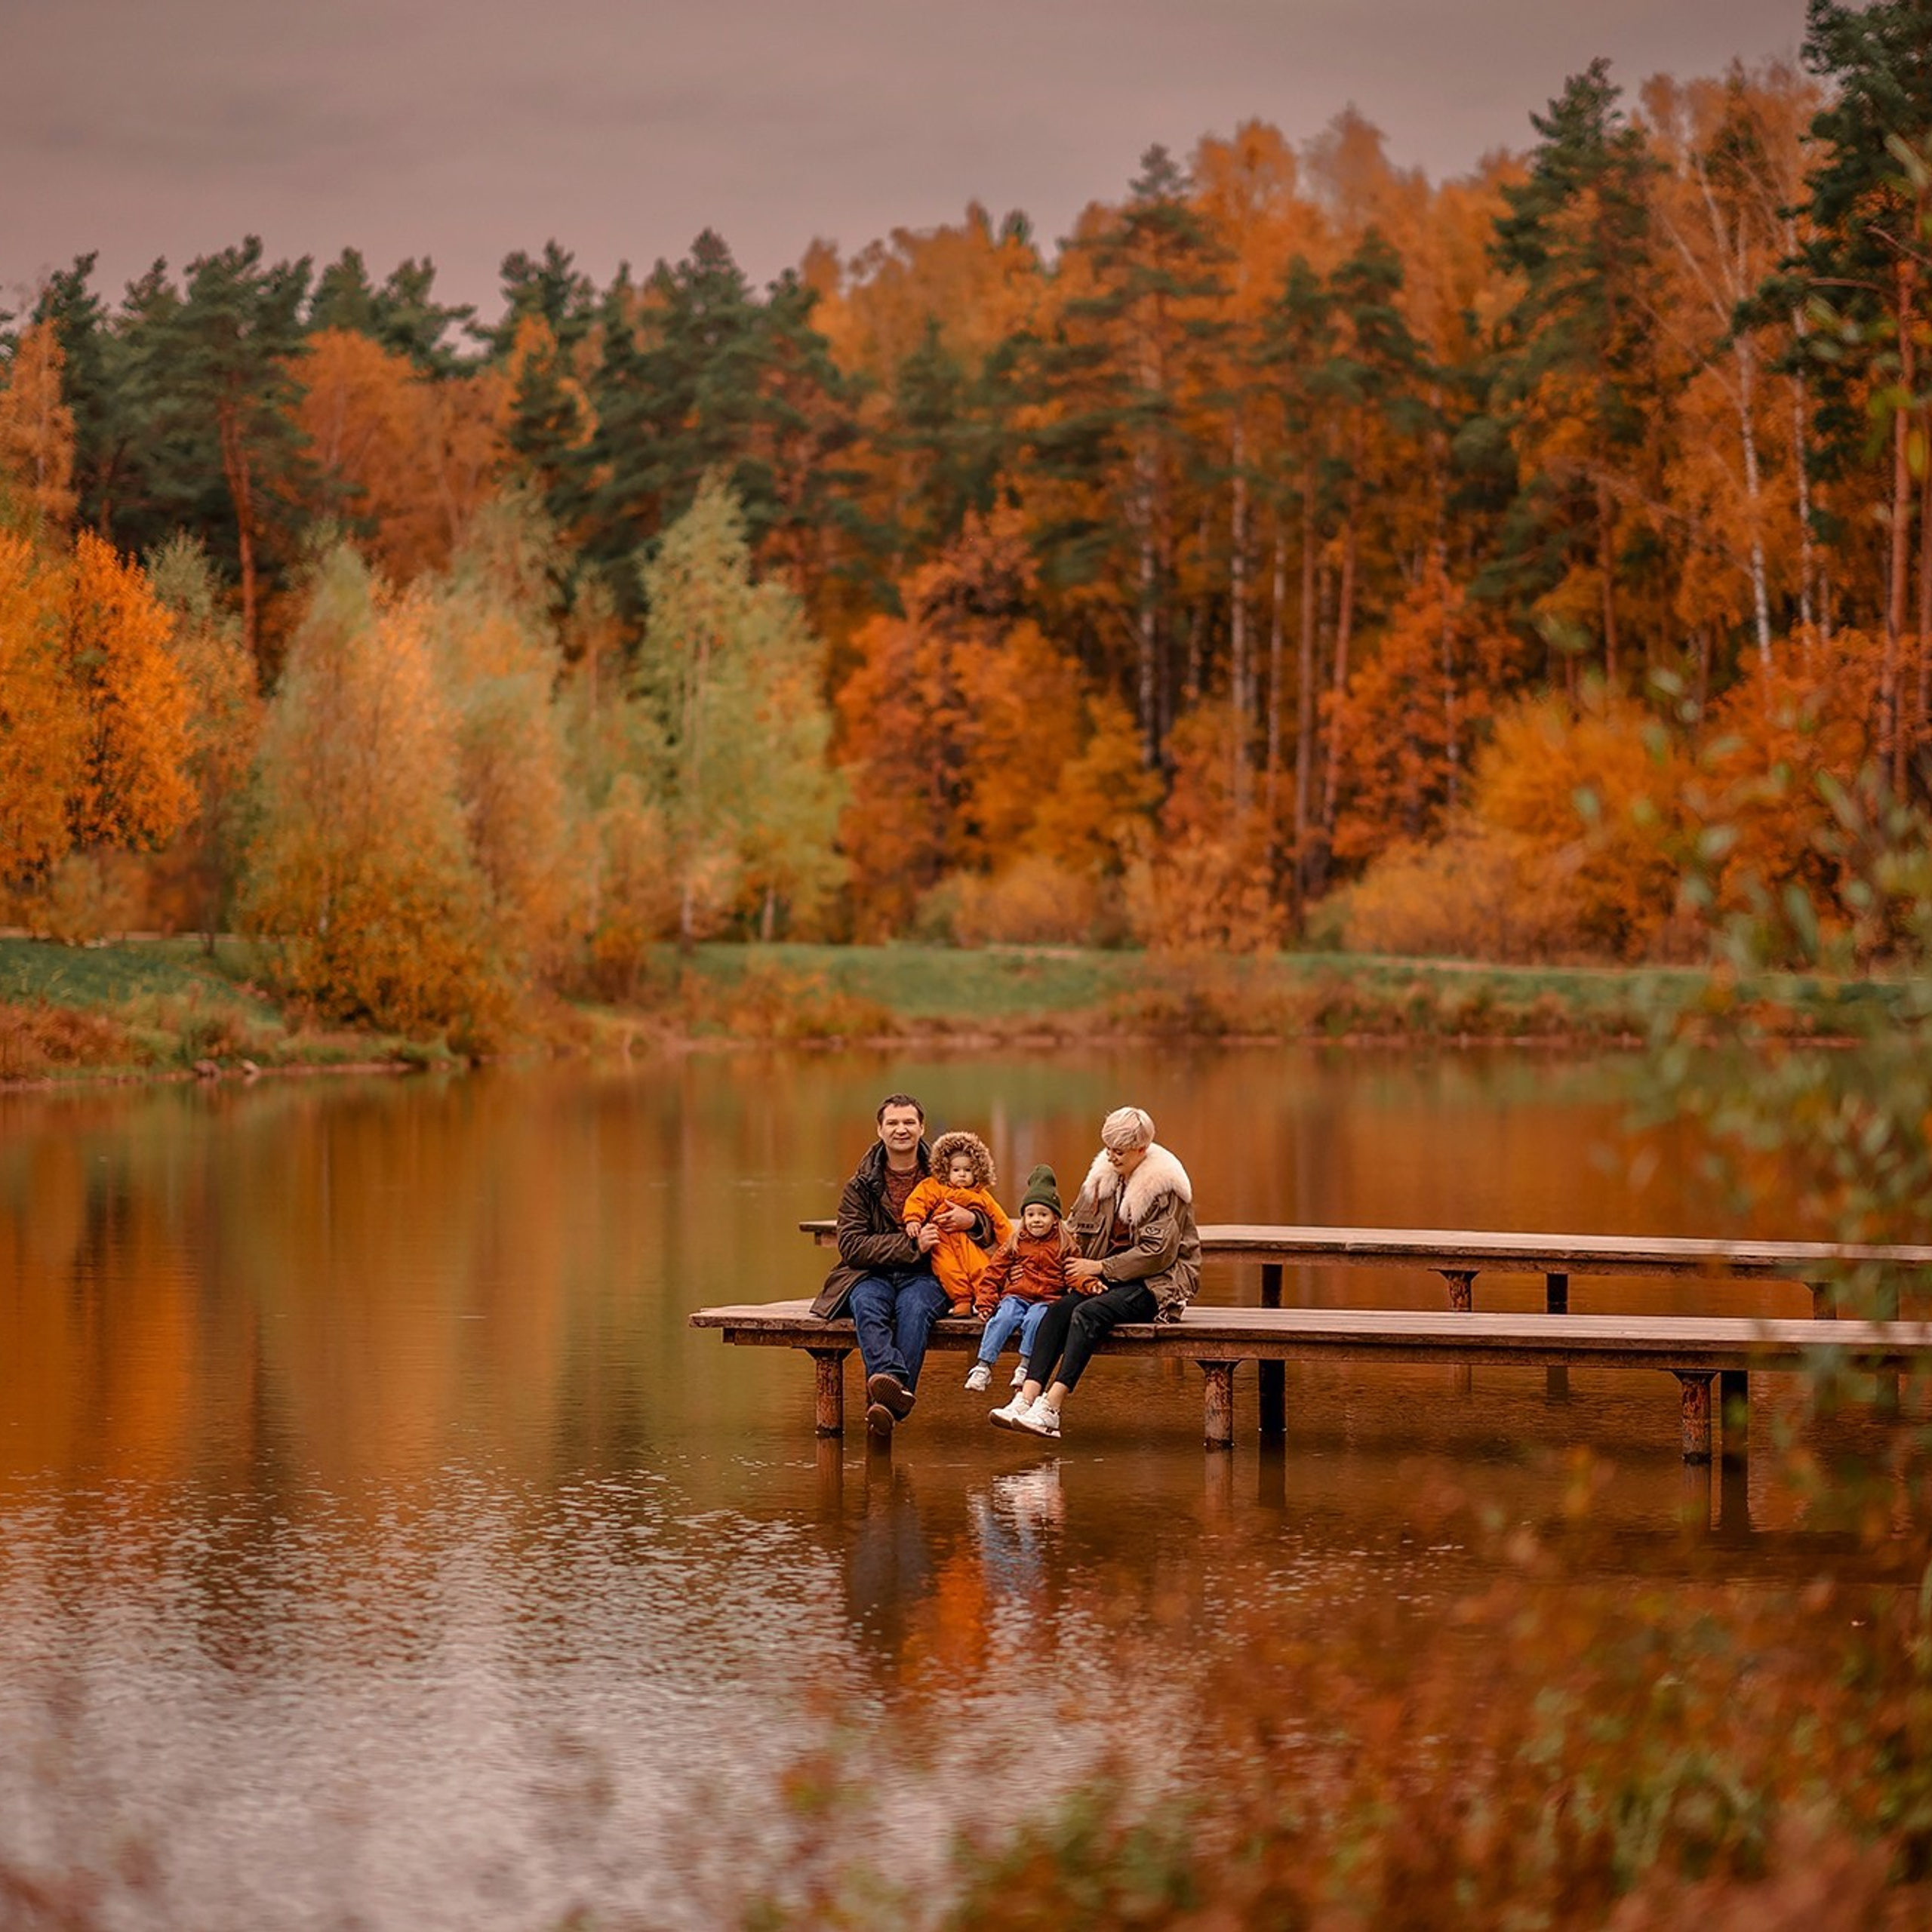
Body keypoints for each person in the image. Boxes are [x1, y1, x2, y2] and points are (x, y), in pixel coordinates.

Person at [990, 1106, 1199, 1441]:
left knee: (1089, 1313)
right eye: (1108, 1149)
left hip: (1156, 1284)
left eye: (1119, 1151)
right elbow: (1074, 1231)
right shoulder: (1101, 1180)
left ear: (1141, 1150)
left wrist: (1101, 1267)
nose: (1112, 1157)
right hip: (1103, 1279)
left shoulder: (1166, 1188)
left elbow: (1158, 1254)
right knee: (1057, 1311)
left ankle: (1052, 1409)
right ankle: (1025, 1399)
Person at [813, 1093, 992, 1441]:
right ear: (879, 1130)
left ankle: (890, 1397)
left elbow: (988, 1225)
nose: (901, 1130)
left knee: (915, 1307)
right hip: (869, 1274)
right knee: (866, 1304)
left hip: (930, 1273)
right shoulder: (861, 1185)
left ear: (922, 1128)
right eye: (893, 1123)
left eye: (909, 1122)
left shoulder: (946, 1174)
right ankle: (896, 1388)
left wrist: (972, 1220)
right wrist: (911, 1245)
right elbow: (851, 1246)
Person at [964, 1164, 1076, 1395]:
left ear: (1055, 1218)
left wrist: (1089, 1284)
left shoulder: (1065, 1245)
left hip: (1047, 1299)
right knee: (1003, 1317)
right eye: (1031, 1214)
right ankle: (983, 1366)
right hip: (1017, 1296)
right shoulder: (1016, 1243)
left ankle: (1025, 1366)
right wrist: (985, 1301)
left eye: (1043, 1215)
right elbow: (994, 1273)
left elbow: (1076, 1274)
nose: (1036, 1220)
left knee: (1035, 1321)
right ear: (1024, 1217)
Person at [902, 1130, 1012, 1316]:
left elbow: (1000, 1220)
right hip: (942, 1241)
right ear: (946, 1169)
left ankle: (986, 1301)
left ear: (977, 1171)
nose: (962, 1175)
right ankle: (962, 1301)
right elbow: (918, 1200)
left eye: (967, 1170)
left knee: (981, 1269)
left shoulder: (981, 1195)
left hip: (969, 1241)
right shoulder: (935, 1186)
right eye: (956, 1170)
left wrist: (1011, 1247)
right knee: (948, 1270)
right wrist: (913, 1219)